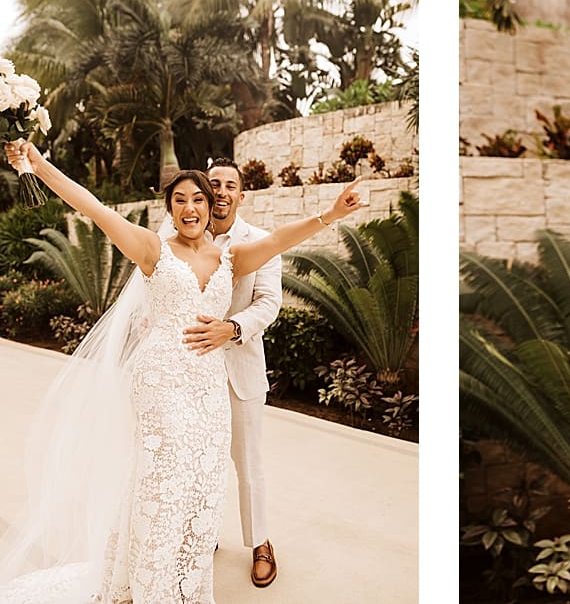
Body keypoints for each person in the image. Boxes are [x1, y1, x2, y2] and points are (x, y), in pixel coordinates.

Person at [0, 140, 363, 603]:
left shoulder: (231, 259)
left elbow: (276, 242)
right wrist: (39, 164)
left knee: (201, 481)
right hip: (160, 381)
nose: (189, 208)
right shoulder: (152, 249)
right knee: (161, 481)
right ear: (170, 208)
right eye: (180, 200)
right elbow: (92, 206)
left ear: (212, 208)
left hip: (209, 387)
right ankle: (148, 586)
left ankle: (182, 582)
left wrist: (330, 215)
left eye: (198, 200)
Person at [156, 158, 284, 588]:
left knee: (248, 464)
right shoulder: (180, 233)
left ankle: (260, 543)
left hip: (239, 371)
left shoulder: (259, 242)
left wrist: (231, 328)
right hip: (188, 372)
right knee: (193, 460)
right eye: (216, 184)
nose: (222, 191)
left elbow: (268, 303)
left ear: (241, 195)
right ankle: (201, 535)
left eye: (231, 185)